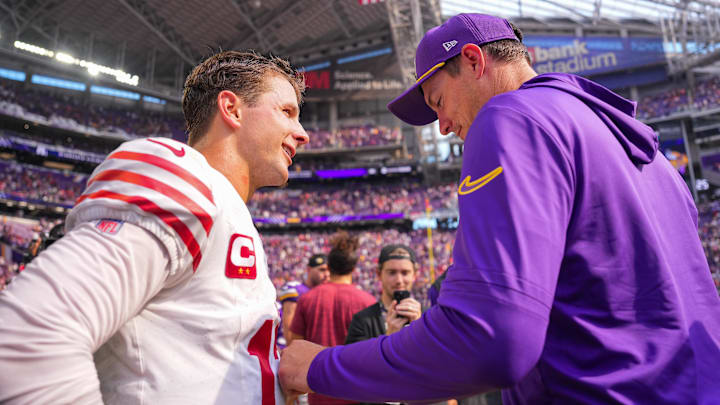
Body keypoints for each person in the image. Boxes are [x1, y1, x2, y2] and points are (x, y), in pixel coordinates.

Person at [279, 13, 720, 404]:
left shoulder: (510, 115)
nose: (446, 125)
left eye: (438, 102)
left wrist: (319, 366)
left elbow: (491, 340)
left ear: (473, 61)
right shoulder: (645, 151)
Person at [0, 50, 309, 404]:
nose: (302, 134)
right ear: (232, 109)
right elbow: (35, 332)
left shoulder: (224, 209)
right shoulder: (185, 180)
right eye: (287, 112)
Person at [289, 231, 376, 405]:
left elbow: (295, 344)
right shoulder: (368, 301)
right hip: (355, 394)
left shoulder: (307, 299)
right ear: (353, 268)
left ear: (329, 267)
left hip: (318, 392)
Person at [345, 244, 422, 345]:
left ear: (414, 275)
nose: (399, 280)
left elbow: (435, 358)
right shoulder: (362, 320)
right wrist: (389, 338)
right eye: (392, 272)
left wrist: (421, 329)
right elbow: (354, 359)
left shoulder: (427, 316)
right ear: (379, 274)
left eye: (405, 273)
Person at [278, 253, 330, 346]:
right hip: (290, 350)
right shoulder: (296, 289)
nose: (327, 274)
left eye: (329, 270)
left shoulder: (325, 292)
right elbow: (290, 337)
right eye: (322, 270)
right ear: (309, 270)